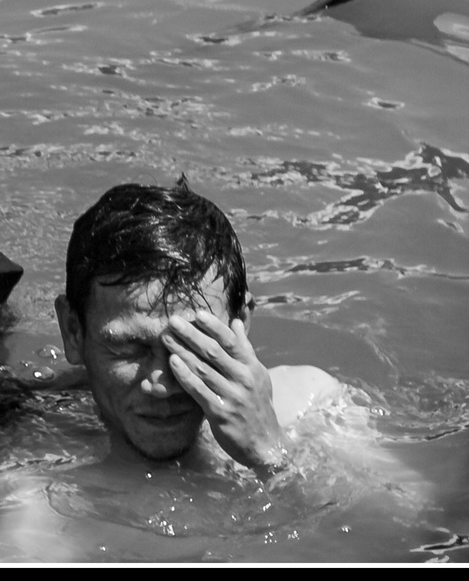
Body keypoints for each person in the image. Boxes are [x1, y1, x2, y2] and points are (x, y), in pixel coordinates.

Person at [55, 180, 340, 478]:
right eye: (130, 349)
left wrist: (270, 451)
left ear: (240, 322)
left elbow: (375, 518)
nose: (163, 386)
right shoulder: (34, 445)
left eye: (190, 346)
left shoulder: (312, 407)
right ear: (73, 332)